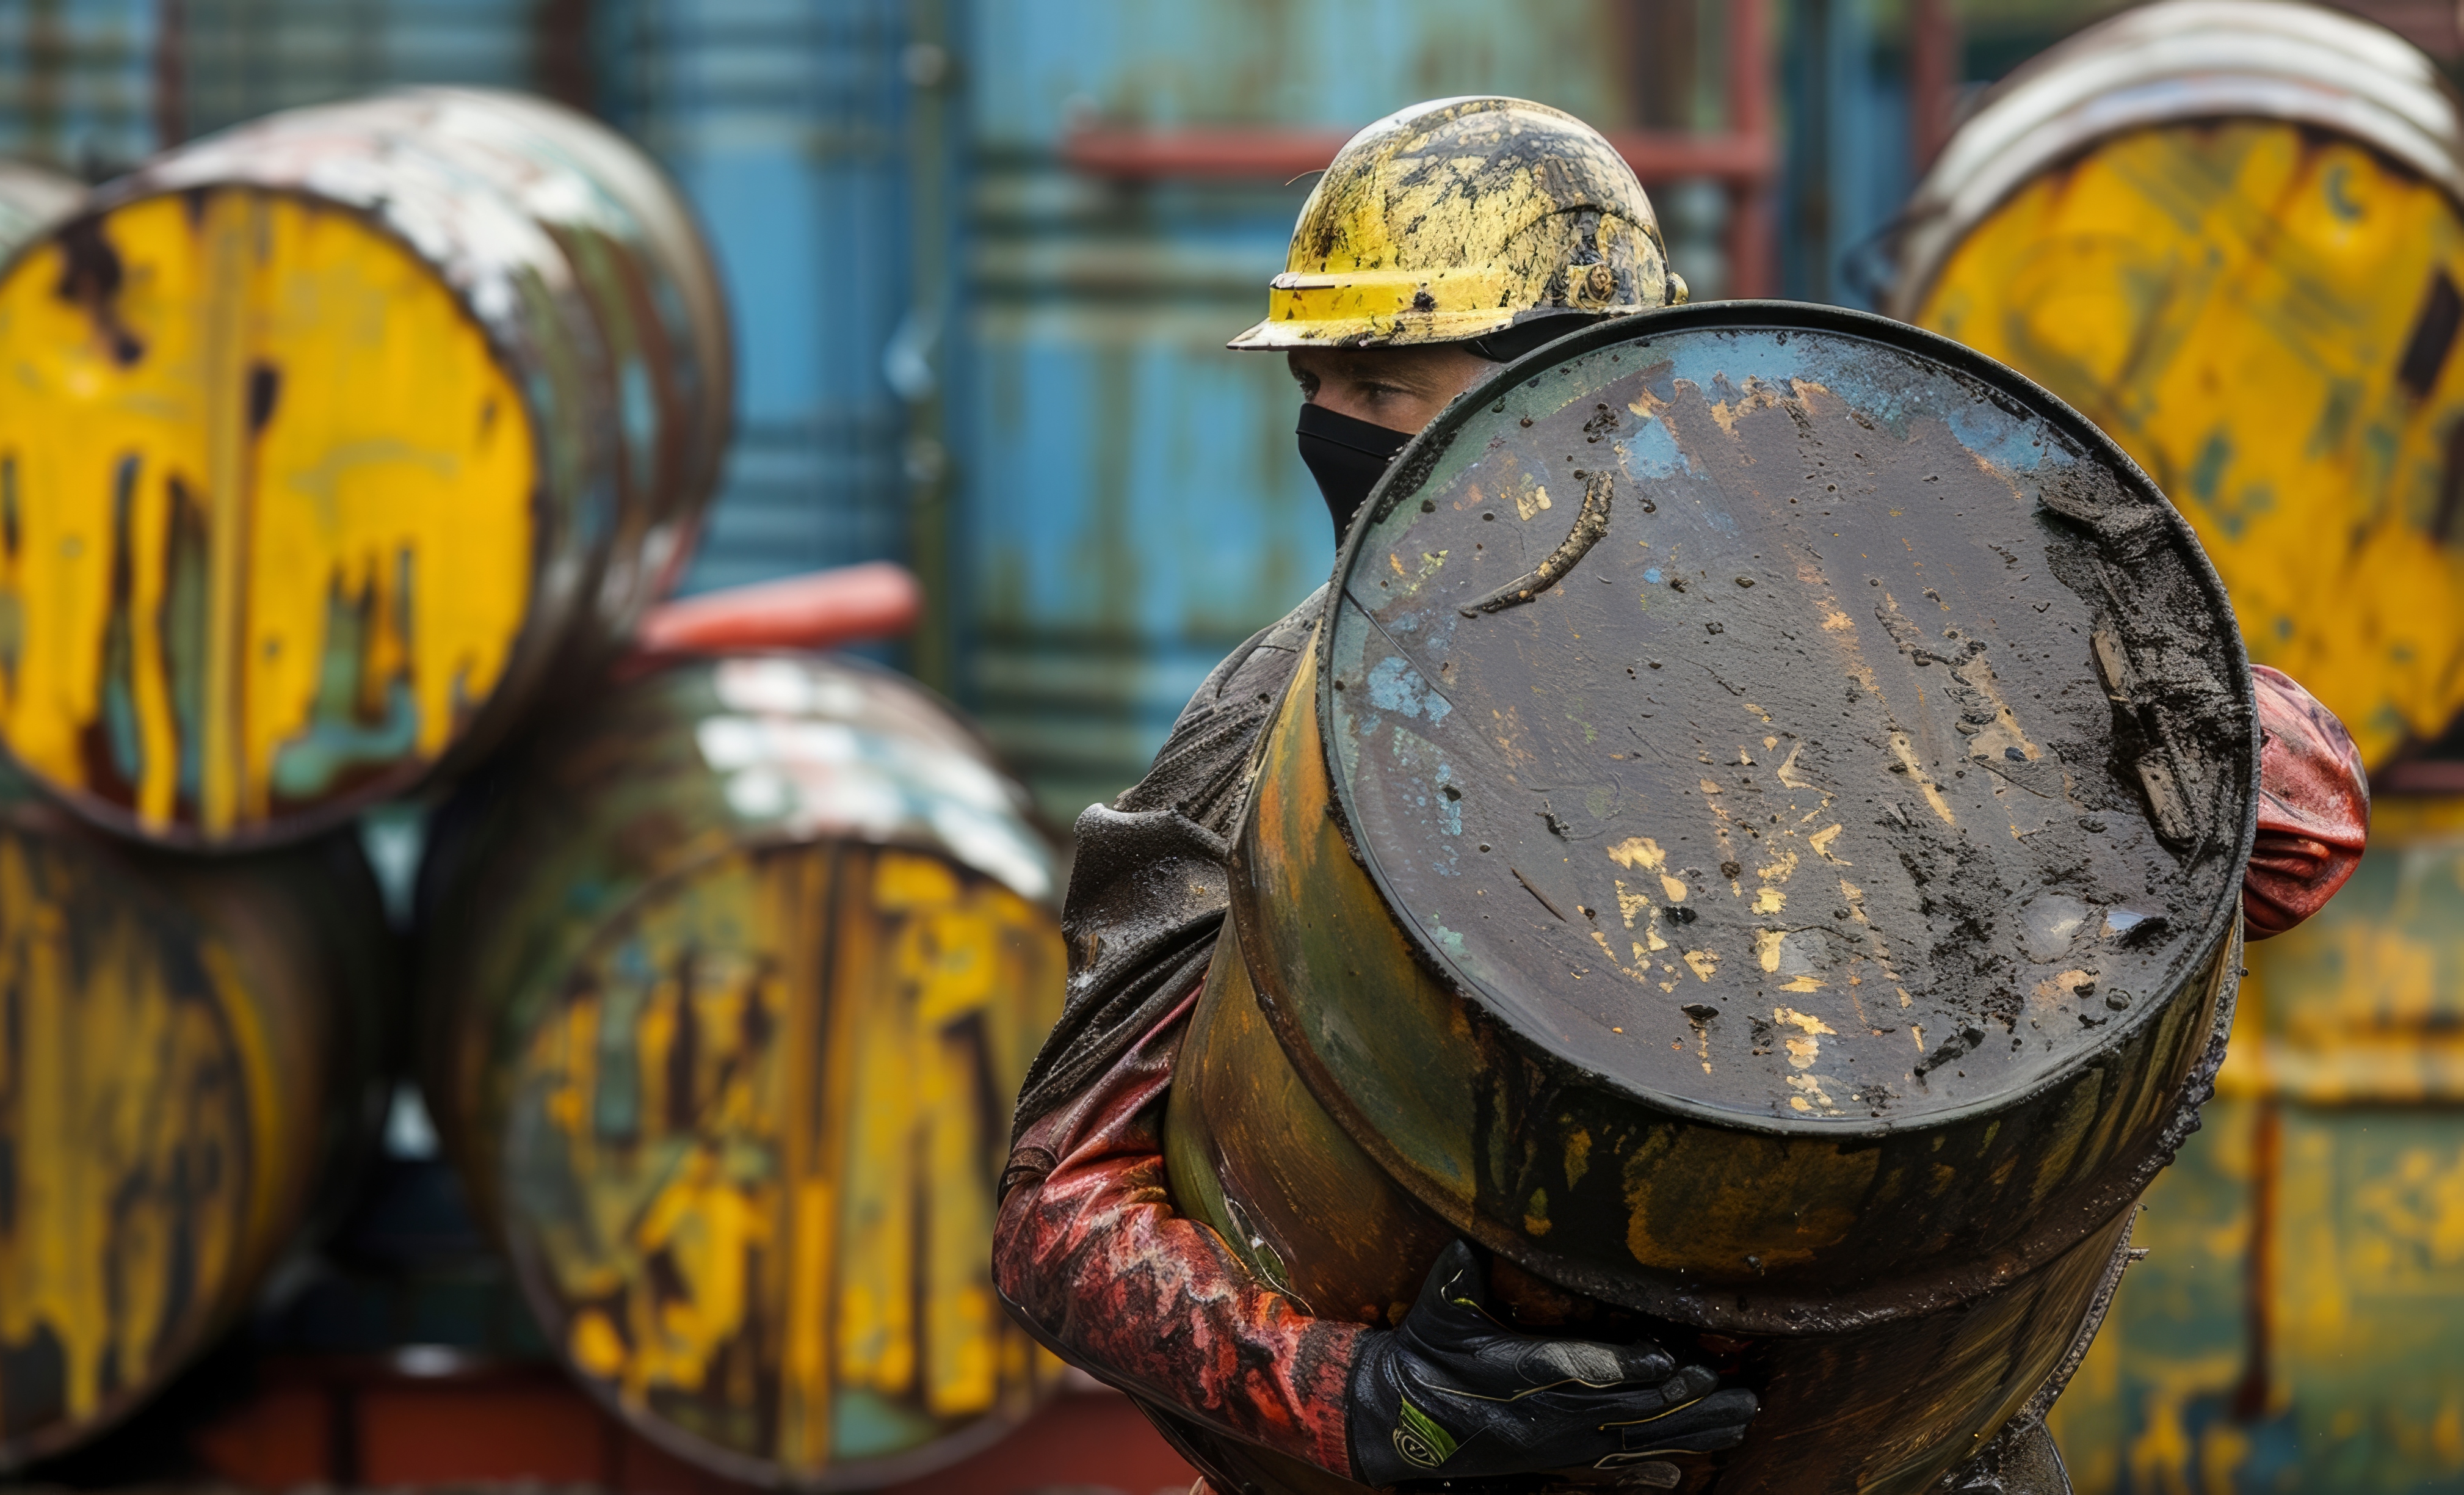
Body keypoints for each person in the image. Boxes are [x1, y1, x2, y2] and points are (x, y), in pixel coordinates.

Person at [992, 95, 2368, 1495]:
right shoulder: (1285, 726)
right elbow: (1057, 1209)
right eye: (1318, 388)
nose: (1335, 428)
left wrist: (2010, 618)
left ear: (1577, 389)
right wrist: (1377, 1403)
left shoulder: (1860, 627)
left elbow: (2293, 843)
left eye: (1383, 388)